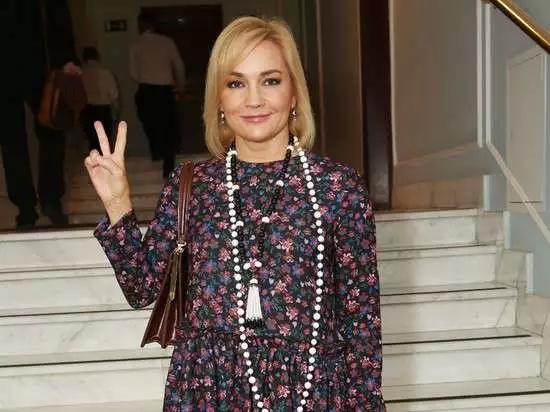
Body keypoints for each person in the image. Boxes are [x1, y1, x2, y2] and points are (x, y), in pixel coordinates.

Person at [87, 16, 384, 411]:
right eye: (236, 83)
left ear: (294, 93)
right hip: (207, 392)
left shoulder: (338, 188)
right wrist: (117, 203)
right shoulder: (191, 185)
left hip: (309, 393)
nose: (254, 100)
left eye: (270, 80)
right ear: (219, 99)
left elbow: (361, 321)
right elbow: (142, 290)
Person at [0, 0, 75, 229]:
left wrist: (68, 59)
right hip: (29, 63)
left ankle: (38, 204)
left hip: (35, 64)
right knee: (21, 138)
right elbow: (58, 13)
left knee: (33, 135)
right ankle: (37, 203)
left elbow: (58, 13)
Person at [130, 11, 185, 178]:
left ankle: (156, 152)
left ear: (140, 26)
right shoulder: (167, 42)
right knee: (169, 127)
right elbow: (179, 66)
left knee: (150, 123)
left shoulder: (136, 45)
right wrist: (180, 87)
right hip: (164, 89)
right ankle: (168, 164)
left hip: (146, 89)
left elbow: (133, 74)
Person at [80, 46, 119, 153]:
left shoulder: (80, 74)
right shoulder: (105, 73)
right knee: (105, 142)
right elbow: (114, 95)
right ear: (98, 57)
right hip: (103, 109)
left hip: (86, 110)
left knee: (92, 142)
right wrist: (116, 113)